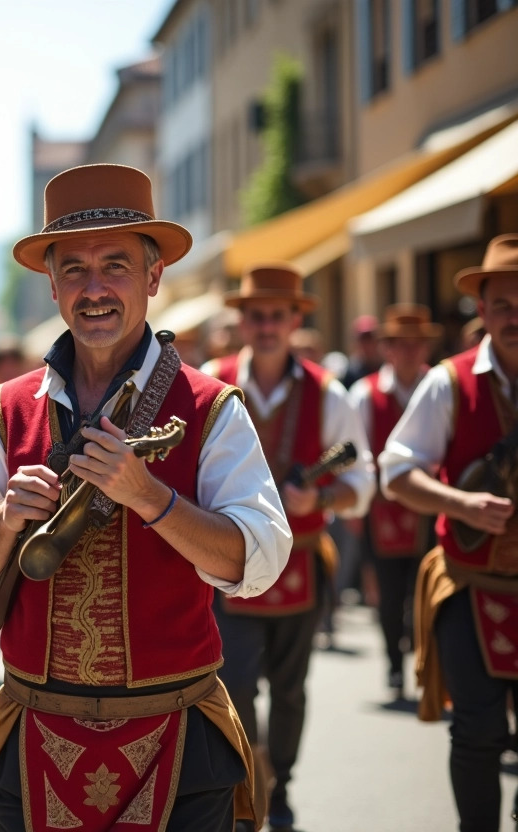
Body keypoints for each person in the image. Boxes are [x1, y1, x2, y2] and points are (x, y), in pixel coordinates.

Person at [0, 164, 291, 831]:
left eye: (115, 266)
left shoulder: (211, 408)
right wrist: (4, 523)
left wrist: (152, 497)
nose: (94, 290)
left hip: (177, 742)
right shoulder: (6, 410)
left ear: (154, 278)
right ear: (52, 284)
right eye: (74, 271)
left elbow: (257, 563)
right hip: (34, 739)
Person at [203, 264, 374, 832]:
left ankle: (283, 781)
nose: (267, 325)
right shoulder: (213, 380)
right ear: (243, 321)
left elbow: (362, 479)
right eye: (257, 315)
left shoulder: (328, 393)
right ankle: (250, 780)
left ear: (296, 319)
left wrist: (320, 501)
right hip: (229, 563)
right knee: (238, 682)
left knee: (292, 687)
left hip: (301, 564)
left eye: (278, 315)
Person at [381, 233, 518, 832]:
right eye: (503, 304)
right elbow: (395, 472)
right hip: (469, 582)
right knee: (479, 733)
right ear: (482, 311)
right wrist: (460, 502)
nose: (515, 316)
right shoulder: (449, 382)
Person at [347, 304, 441, 699]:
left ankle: (425, 662)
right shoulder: (365, 394)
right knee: (388, 593)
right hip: (381, 511)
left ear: (425, 349)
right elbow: (354, 452)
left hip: (430, 508)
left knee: (426, 589)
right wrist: (356, 507)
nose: (408, 352)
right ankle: (393, 663)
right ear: (388, 349)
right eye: (400, 345)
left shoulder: (437, 387)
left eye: (415, 345)